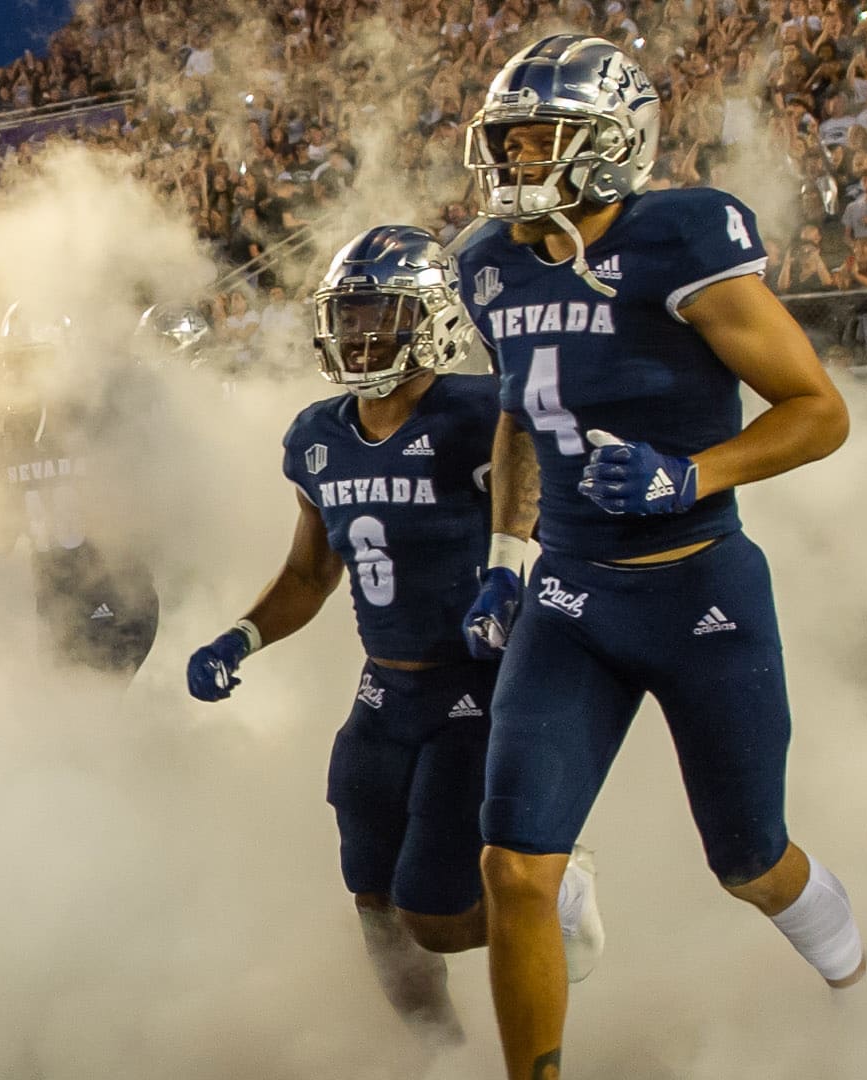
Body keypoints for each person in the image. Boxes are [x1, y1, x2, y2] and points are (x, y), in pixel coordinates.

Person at [457, 35, 862, 1080]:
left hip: (698, 591)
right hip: (572, 600)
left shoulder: (680, 237)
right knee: (511, 870)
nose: (516, 160)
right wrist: (506, 554)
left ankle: (861, 982)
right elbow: (516, 419)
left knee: (750, 860)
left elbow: (820, 413)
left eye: (541, 137)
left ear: (610, 144)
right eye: (508, 139)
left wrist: (696, 473)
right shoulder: (488, 261)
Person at [185, 225, 601, 1048]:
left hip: (475, 687)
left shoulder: (485, 413)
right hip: (384, 692)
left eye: (381, 314)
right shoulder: (317, 435)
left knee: (435, 915)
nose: (360, 333)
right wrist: (241, 635)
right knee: (372, 902)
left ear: (435, 320)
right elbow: (310, 574)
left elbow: (568, 522)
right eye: (348, 315)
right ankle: (438, 1055)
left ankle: (548, 892)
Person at [0, 303, 159, 682]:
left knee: (93, 712)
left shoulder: (99, 416)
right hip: (57, 605)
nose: (13, 373)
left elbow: (145, 507)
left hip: (115, 598)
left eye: (26, 362)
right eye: (12, 362)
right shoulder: (8, 429)